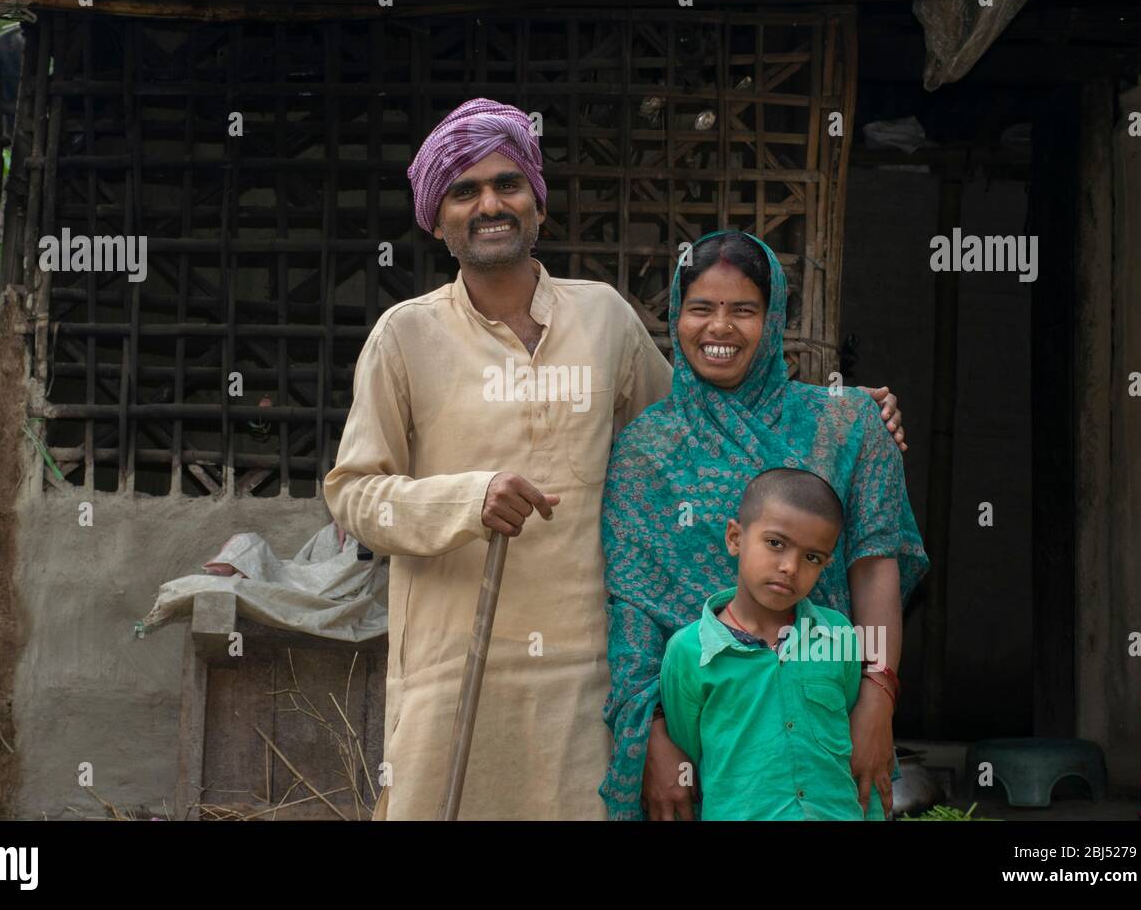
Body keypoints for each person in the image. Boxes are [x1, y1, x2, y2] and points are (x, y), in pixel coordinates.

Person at [325, 99, 909, 820]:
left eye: (508, 184)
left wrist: (857, 422)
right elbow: (352, 493)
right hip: (455, 665)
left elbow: (699, 433)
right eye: (464, 191)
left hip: (587, 675)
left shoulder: (603, 317)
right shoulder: (403, 337)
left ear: (537, 203)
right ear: (437, 218)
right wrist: (463, 501)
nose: (489, 204)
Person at [601, 230, 928, 821]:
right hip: (706, 727)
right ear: (676, 315)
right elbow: (634, 610)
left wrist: (879, 697)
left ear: (773, 317)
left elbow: (876, 566)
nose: (719, 328)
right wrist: (653, 737)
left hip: (824, 719)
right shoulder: (645, 450)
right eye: (701, 308)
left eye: (743, 310)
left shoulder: (847, 424)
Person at [659, 467, 886, 820]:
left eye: (812, 557)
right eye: (775, 544)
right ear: (735, 538)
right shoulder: (690, 652)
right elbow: (689, 746)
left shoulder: (839, 635)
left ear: (826, 564)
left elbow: (848, 721)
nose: (790, 567)